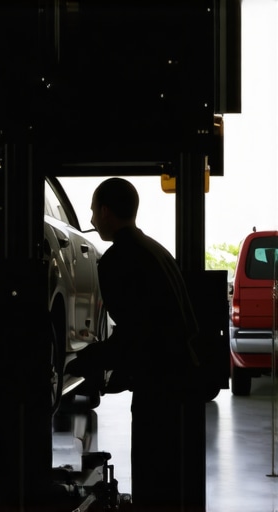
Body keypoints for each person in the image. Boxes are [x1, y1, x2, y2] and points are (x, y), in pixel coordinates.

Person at [66, 177, 205, 512]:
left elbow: (134, 331)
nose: (92, 220)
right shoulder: (155, 250)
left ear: (106, 211)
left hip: (160, 386)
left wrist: (86, 361)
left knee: (153, 476)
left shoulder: (118, 259)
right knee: (173, 478)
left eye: (93, 212)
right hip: (184, 378)